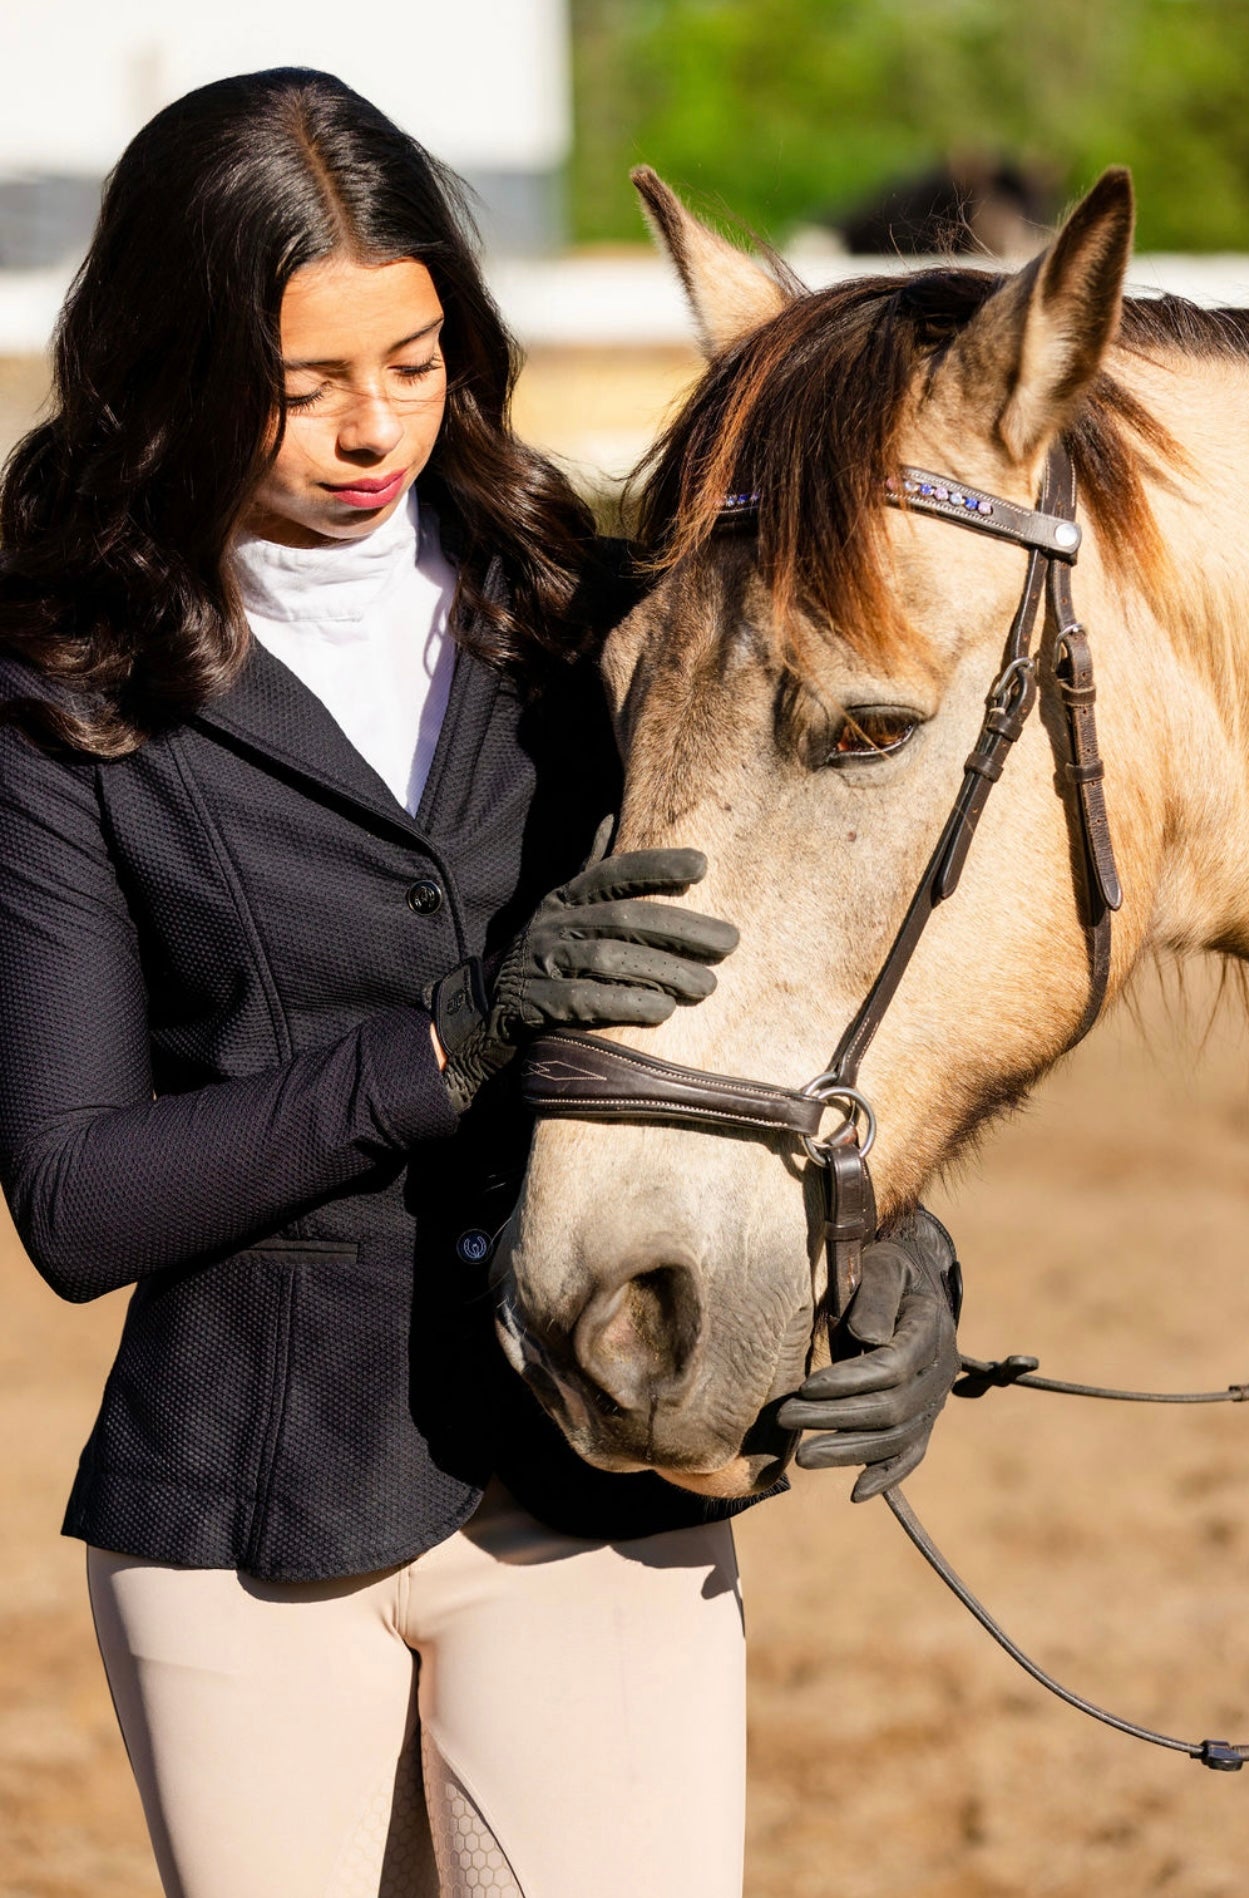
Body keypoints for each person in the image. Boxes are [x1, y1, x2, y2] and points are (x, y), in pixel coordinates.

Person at [0, 69, 959, 1898]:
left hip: (598, 1467)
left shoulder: (597, 618)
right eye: (304, 385)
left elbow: (789, 1001)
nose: (375, 426)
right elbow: (75, 1193)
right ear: (173, 368)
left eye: (417, 358)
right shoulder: (59, 700)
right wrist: (448, 1046)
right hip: (250, 1516)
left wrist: (896, 1261)